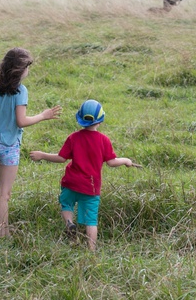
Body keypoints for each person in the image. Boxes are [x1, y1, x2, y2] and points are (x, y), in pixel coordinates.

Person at [0, 47, 62, 238]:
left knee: (2, 192)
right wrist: (43, 116)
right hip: (9, 146)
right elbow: (21, 121)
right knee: (4, 194)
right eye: (27, 67)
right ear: (20, 70)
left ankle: (4, 229)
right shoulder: (21, 91)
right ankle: (0, 234)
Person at [29, 99, 136, 250]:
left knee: (66, 204)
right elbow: (112, 162)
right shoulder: (104, 140)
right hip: (90, 188)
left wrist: (42, 155)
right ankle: (91, 250)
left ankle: (69, 224)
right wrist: (126, 160)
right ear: (100, 120)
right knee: (91, 220)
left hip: (71, 183)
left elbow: (61, 158)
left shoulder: (73, 137)